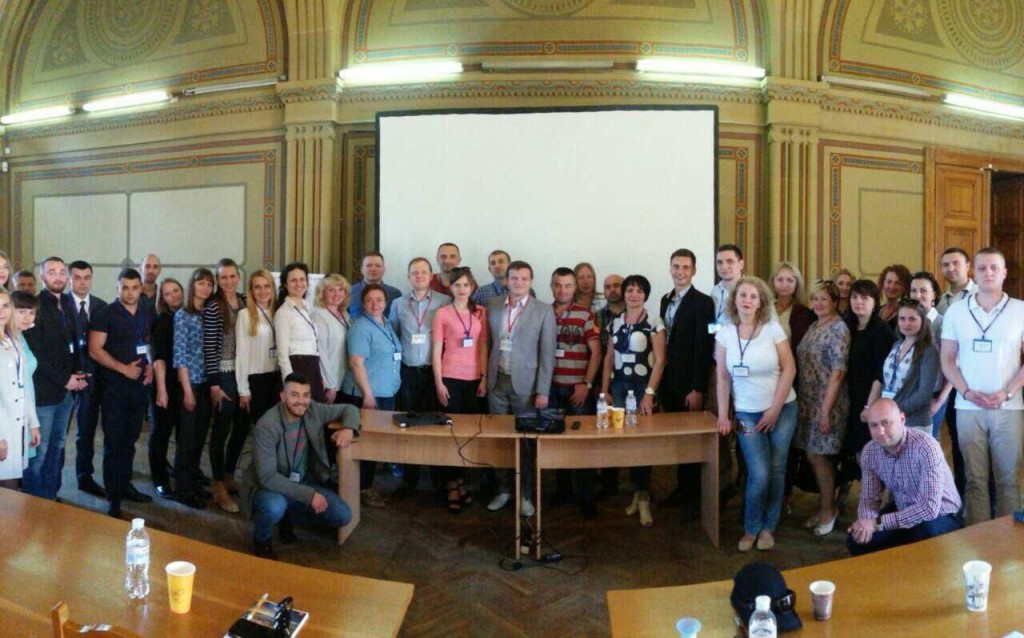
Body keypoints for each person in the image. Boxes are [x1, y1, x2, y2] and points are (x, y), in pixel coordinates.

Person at [940, 247, 1024, 525]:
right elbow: (947, 359)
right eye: (982, 268)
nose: (988, 273)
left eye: (994, 267)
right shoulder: (956, 311)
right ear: (973, 273)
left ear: (1004, 273)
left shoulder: (1020, 310)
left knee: (1008, 479)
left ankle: (1009, 541)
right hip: (968, 407)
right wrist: (965, 391)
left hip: (1008, 407)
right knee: (974, 479)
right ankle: (978, 538)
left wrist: (1007, 392)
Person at [715, 277, 797, 552]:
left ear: (761, 302)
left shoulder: (773, 329)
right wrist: (724, 415)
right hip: (746, 413)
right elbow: (722, 377)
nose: (747, 300)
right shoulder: (725, 333)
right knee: (758, 473)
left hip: (782, 409)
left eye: (753, 296)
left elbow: (789, 368)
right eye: (743, 295)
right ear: (735, 300)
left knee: (776, 470)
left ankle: (768, 528)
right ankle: (751, 528)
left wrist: (774, 410)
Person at [243, 373, 360, 559]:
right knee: (274, 506)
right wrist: (309, 495)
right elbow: (267, 478)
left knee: (343, 515)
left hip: (301, 481)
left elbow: (350, 408)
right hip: (269, 487)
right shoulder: (267, 425)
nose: (301, 401)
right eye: (294, 395)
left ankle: (288, 517)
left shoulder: (312, 409)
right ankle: (262, 540)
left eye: (306, 395)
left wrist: (348, 429)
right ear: (283, 397)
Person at [485, 260, 556, 516]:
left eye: (524, 278)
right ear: (507, 280)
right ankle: (503, 490)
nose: (519, 283)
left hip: (527, 385)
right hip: (497, 382)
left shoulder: (543, 310)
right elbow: (487, 343)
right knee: (499, 440)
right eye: (514, 278)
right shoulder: (493, 306)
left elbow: (547, 353)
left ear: (531, 281)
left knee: (526, 442)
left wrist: (543, 390)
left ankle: (525, 494)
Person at [846, 399, 962, 555]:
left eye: (886, 423)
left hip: (941, 514)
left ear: (902, 419)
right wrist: (865, 524)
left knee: (924, 532)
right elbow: (869, 497)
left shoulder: (926, 446)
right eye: (874, 425)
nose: (880, 431)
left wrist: (877, 523)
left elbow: (929, 508)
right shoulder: (870, 451)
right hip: (904, 510)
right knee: (856, 541)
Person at [88, 268, 155, 518]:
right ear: (118, 288)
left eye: (134, 288)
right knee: (114, 443)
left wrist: (149, 365)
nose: (130, 292)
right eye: (125, 287)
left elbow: (148, 342)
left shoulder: (147, 311)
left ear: (141, 288)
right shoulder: (105, 314)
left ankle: (125, 486)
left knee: (130, 441)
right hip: (114, 388)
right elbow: (95, 349)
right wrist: (122, 368)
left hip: (139, 388)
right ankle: (113, 498)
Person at [601, 274, 665, 527]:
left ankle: (644, 498)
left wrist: (649, 394)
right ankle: (636, 495)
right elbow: (609, 357)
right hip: (618, 388)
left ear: (645, 295)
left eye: (639, 291)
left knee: (642, 444)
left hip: (641, 390)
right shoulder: (615, 322)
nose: (633, 295)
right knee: (625, 443)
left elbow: (660, 360)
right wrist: (604, 389)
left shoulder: (654, 322)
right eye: (630, 290)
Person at [658, 249, 715, 522]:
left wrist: (698, 388)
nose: (680, 272)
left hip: (689, 385)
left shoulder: (703, 302)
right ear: (670, 268)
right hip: (669, 382)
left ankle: (695, 499)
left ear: (693, 271)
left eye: (685, 267)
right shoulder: (664, 300)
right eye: (676, 266)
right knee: (679, 441)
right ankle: (682, 490)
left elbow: (703, 348)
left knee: (693, 441)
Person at [22, 257, 86, 500]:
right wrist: (64, 379)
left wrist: (78, 372)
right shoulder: (36, 307)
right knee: (39, 453)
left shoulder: (68, 304)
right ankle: (33, 502)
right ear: (42, 277)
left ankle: (50, 497)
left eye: (61, 272)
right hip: (44, 395)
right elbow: (36, 354)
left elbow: (72, 344)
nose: (58, 277)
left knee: (57, 448)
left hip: (65, 394)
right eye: (52, 272)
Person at [794, 280, 850, 536]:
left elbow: (838, 372)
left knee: (820, 457)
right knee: (813, 456)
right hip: (808, 400)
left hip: (829, 402)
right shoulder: (814, 325)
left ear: (835, 302)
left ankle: (829, 510)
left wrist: (825, 411)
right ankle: (824, 505)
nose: (818, 303)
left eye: (824, 299)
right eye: (815, 298)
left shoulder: (839, 328)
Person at [390, 257, 450, 495]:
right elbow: (394, 336)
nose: (419, 276)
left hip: (436, 374)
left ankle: (439, 480)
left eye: (423, 272)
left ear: (431, 275)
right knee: (409, 425)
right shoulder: (398, 304)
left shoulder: (445, 302)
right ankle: (410, 480)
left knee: (436, 425)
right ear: (408, 276)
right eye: (414, 272)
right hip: (409, 374)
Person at [432, 266, 488, 512]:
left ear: (472, 287)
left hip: (474, 379)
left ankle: (463, 481)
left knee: (468, 434)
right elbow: (436, 350)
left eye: (466, 285)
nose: (462, 289)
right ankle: (452, 484)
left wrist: (484, 377)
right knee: (450, 434)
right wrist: (438, 382)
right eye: (457, 285)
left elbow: (483, 346)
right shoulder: (442, 313)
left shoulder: (480, 312)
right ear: (450, 288)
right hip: (450, 378)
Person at [342, 283, 403, 508]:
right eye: (369, 300)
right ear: (362, 303)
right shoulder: (360, 327)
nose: (374, 304)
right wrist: (368, 395)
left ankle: (366, 485)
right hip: (367, 395)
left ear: (386, 303)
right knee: (364, 443)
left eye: (379, 300)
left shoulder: (386, 323)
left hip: (386, 392)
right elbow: (356, 364)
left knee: (374, 442)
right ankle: (361, 489)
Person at [548, 267, 601, 518]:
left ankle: (587, 496)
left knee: (582, 443)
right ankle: (563, 490)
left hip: (578, 389)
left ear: (574, 288)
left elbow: (596, 352)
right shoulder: (543, 313)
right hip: (550, 389)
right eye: (558, 285)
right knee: (557, 442)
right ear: (551, 287)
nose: (563, 290)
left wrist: (586, 383)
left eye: (568, 285)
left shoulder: (586, 315)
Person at [839, 279, 895, 487]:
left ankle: (874, 499)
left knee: (867, 452)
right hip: (849, 397)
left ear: (875, 302)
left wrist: (869, 407)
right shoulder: (848, 326)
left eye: (864, 298)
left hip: (870, 399)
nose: (858, 302)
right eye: (854, 297)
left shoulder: (881, 331)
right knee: (851, 451)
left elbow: (881, 374)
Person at [202, 258, 247, 513]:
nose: (228, 281)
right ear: (218, 280)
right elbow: (209, 348)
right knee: (221, 430)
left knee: (242, 427)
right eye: (223, 277)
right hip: (223, 374)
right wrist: (214, 384)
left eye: (232, 276)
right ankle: (218, 484)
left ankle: (229, 474)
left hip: (243, 374)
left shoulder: (245, 301)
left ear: (238, 277)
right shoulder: (213, 307)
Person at [173, 268, 216, 509]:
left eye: (209, 284)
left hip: (207, 384)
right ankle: (183, 490)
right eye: (201, 283)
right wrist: (188, 391)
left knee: (199, 439)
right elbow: (180, 356)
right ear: (193, 286)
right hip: (190, 384)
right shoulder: (183, 315)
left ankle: (193, 482)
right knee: (187, 441)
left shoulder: (208, 314)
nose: (205, 288)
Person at [864, 300, 941, 433]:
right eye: (902, 319)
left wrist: (893, 410)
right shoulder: (897, 345)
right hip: (889, 419)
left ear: (922, 321)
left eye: (912, 319)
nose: (906, 323)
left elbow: (923, 395)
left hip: (914, 422)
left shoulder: (928, 351)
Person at [67, 260, 107, 498]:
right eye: (77, 277)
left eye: (87, 277)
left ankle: (85, 476)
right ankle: (50, 482)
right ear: (70, 279)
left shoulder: (101, 306)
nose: (82, 282)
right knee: (57, 434)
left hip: (93, 378)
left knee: (86, 431)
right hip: (64, 379)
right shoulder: (60, 305)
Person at [0, 290, 41, 489]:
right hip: (3, 425)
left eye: (6, 306)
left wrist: (32, 422)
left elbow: (23, 386)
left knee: (13, 484)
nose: (1, 312)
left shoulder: (14, 339)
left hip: (18, 421)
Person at [908, 271, 954, 439]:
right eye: (913, 291)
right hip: (909, 394)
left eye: (923, 291)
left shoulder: (943, 323)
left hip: (933, 395)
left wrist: (940, 400)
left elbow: (953, 364)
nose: (917, 295)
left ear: (933, 294)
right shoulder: (907, 321)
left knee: (927, 444)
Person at [151, 277, 184, 499]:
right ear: (162, 299)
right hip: (165, 382)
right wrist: (162, 390)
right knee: (161, 433)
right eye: (168, 293)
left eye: (176, 290)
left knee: (182, 430)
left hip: (182, 383)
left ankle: (181, 471)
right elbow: (159, 359)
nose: (173, 296)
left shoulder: (185, 316)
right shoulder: (162, 321)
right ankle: (159, 479)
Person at [275, 262, 327, 401]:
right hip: (297, 367)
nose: (299, 284)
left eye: (302, 279)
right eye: (293, 280)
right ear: (285, 284)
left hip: (312, 367)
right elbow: (282, 353)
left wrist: (319, 375)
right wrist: (289, 383)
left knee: (315, 411)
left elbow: (314, 346)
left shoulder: (307, 308)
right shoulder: (283, 312)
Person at [236, 269, 282, 423]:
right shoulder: (245, 314)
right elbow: (241, 353)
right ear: (251, 291)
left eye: (267, 286)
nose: (263, 291)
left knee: (276, 426)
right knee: (262, 425)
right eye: (257, 287)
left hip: (277, 377)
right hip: (256, 379)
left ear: (273, 288)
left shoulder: (279, 312)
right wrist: (243, 389)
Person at [310, 274, 351, 404]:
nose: (337, 294)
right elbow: (321, 353)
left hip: (343, 379)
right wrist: (330, 385)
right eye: (331, 290)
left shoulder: (344, 314)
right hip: (328, 384)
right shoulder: (318, 315)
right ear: (322, 293)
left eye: (340, 289)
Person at [771, 261, 812, 350]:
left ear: (797, 284)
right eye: (780, 280)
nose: (784, 284)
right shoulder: (765, 308)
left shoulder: (803, 313)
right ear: (773, 282)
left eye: (790, 280)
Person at [348, 252, 402, 320]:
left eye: (378, 266)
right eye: (369, 265)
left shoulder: (395, 294)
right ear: (362, 270)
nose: (373, 269)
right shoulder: (349, 292)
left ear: (384, 270)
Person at [936, 247, 976, 316]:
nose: (950, 269)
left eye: (956, 263)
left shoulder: (982, 294)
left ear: (967, 266)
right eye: (946, 265)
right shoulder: (940, 301)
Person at [876, 264, 912, 330]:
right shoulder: (876, 310)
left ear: (905, 287)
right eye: (889, 282)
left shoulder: (906, 313)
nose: (892, 286)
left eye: (898, 283)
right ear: (883, 283)